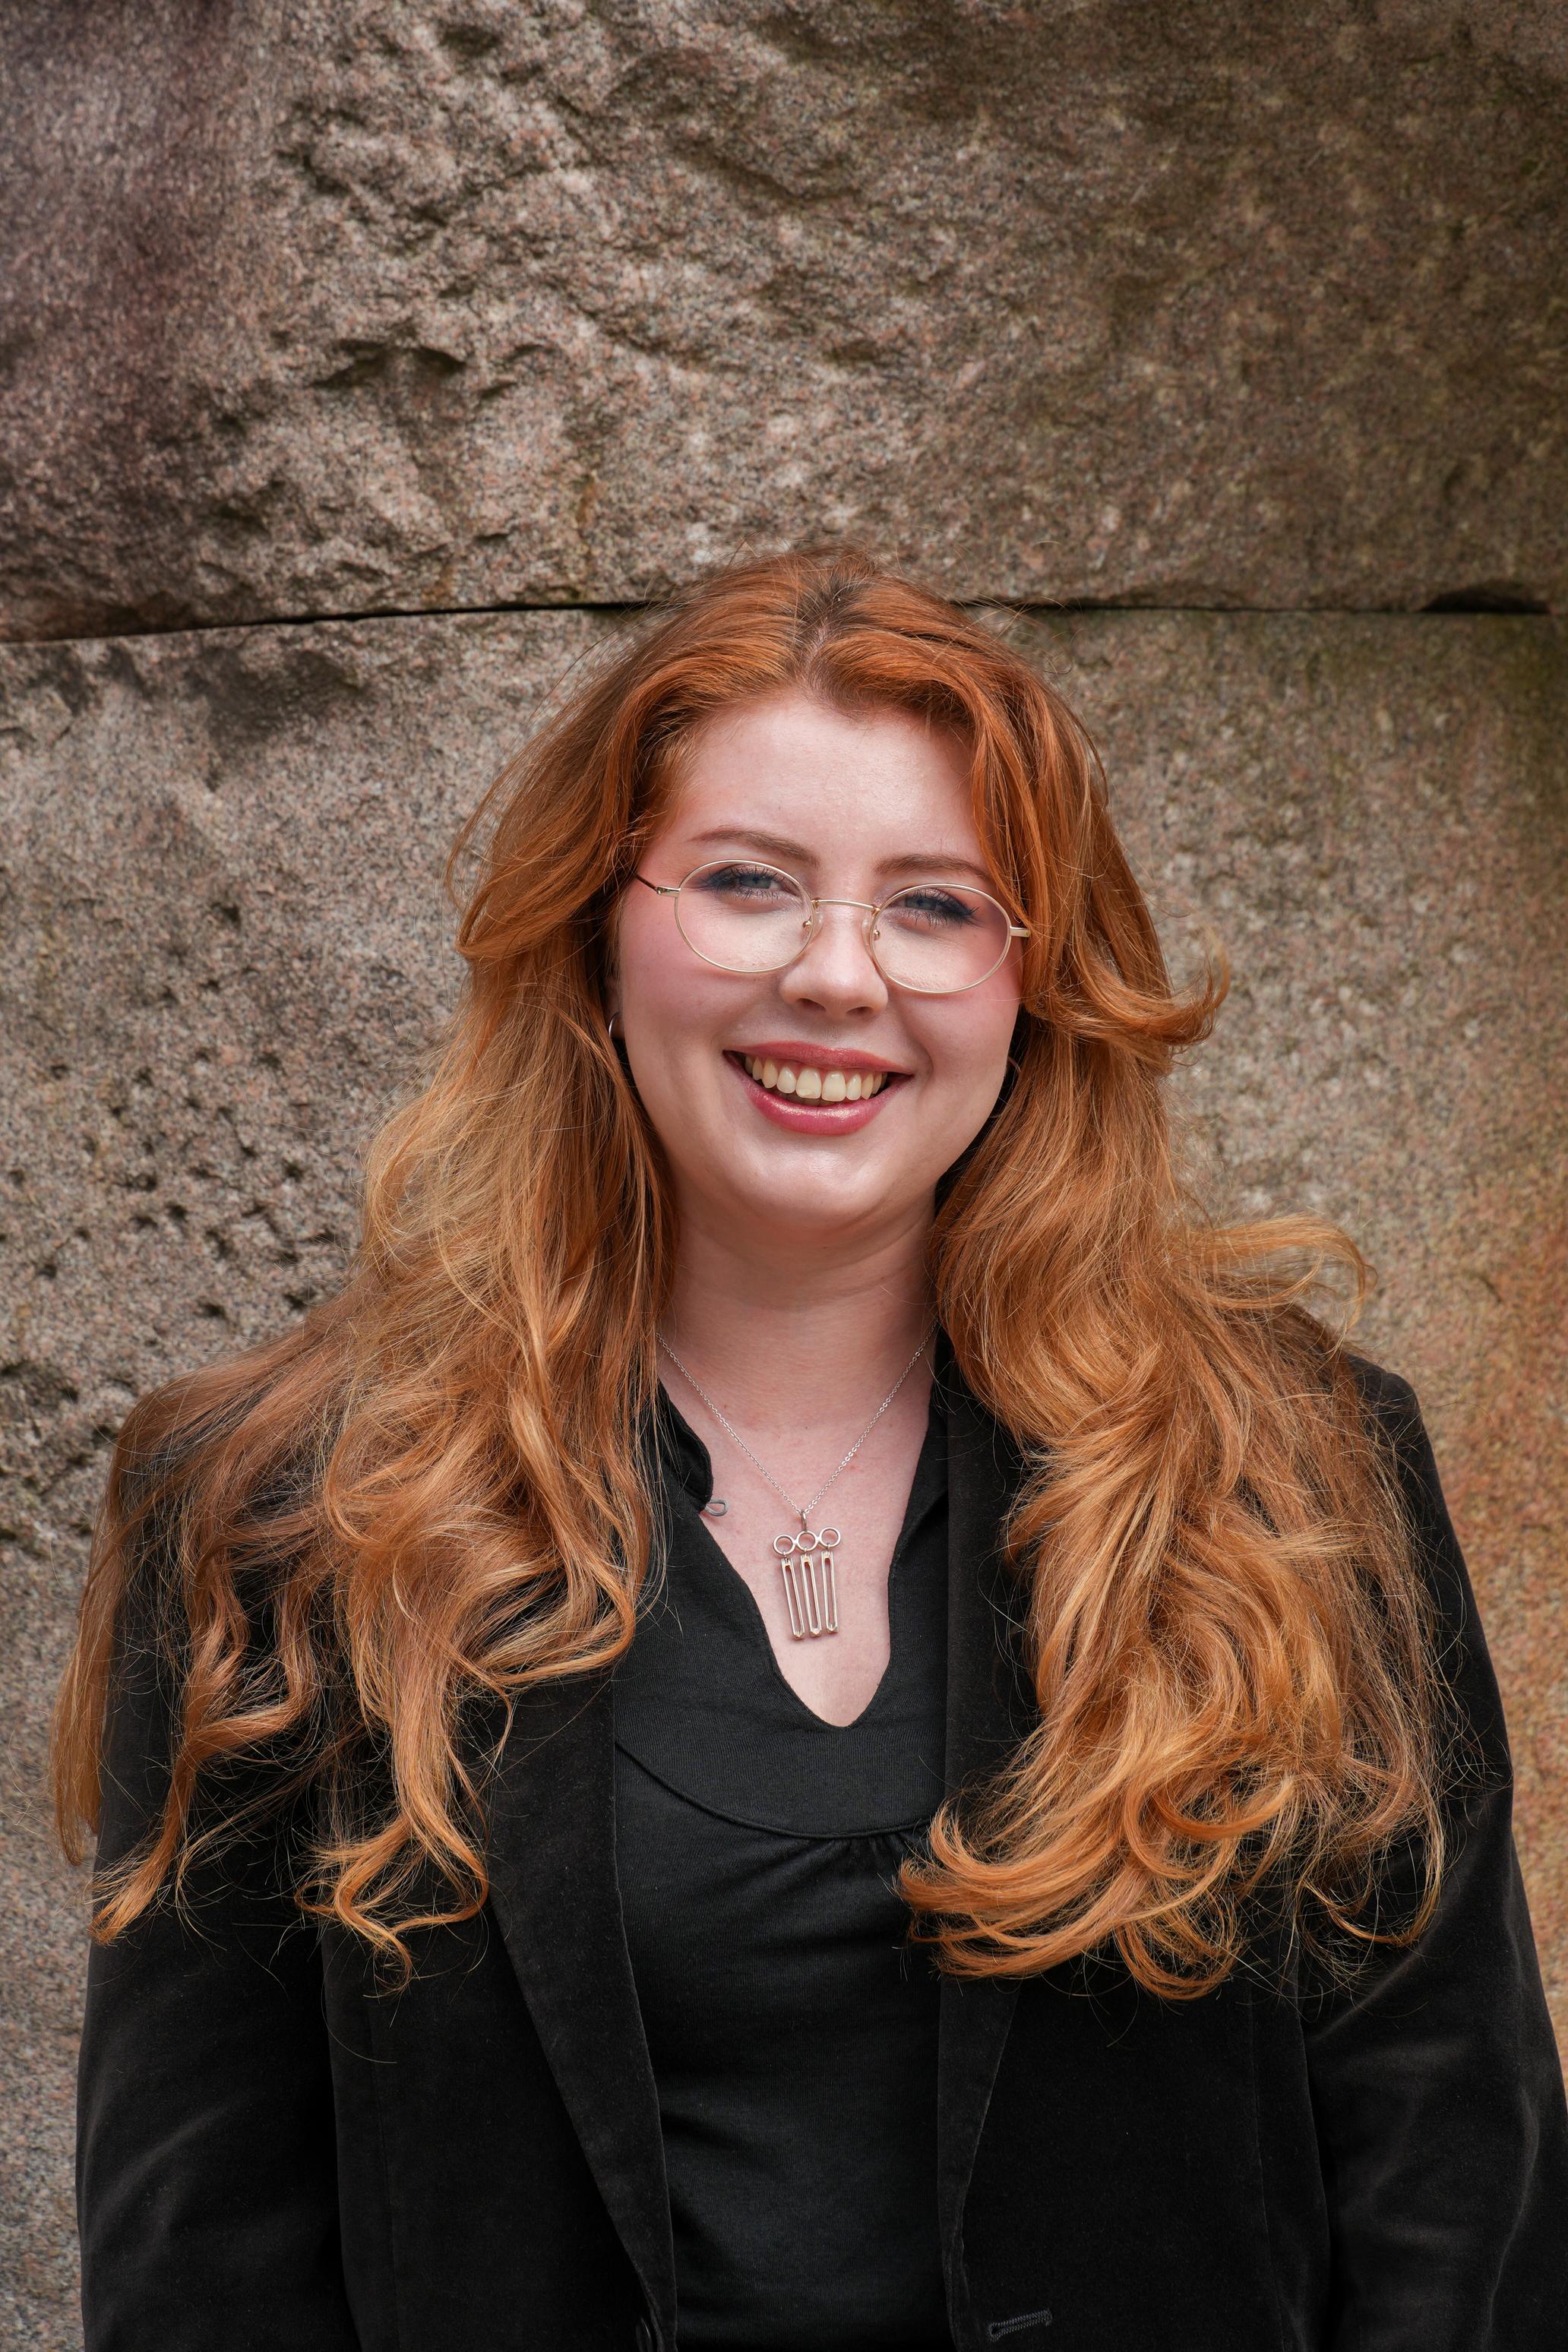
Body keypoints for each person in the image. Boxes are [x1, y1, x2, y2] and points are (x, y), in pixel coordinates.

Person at [55, 548, 1566, 2352]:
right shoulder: (281, 1512)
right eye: (751, 882)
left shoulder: (1295, 1478)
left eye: (935, 907)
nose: (836, 975)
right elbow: (204, 2272)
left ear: (1036, 981)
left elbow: (1456, 2197)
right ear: (600, 927)